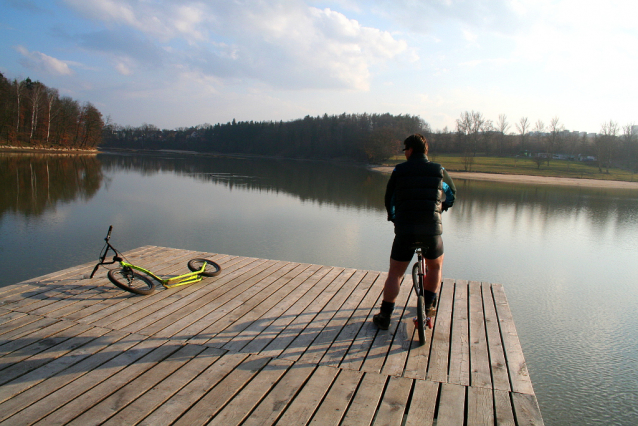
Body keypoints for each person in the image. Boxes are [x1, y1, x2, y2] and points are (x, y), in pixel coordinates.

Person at [373, 133, 456, 330]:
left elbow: (389, 198)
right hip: (431, 230)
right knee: (435, 267)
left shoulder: (399, 170)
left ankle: (385, 315)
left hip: (405, 230)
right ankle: (427, 311)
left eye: (405, 150)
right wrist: (442, 207)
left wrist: (394, 217)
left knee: (395, 273)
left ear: (410, 150)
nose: (404, 154)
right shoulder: (439, 170)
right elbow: (451, 193)